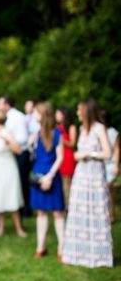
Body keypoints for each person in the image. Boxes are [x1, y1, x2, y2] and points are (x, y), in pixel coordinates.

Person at [62, 99, 113, 268]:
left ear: (86, 111)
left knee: (96, 211)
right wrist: (79, 155)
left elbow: (107, 153)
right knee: (78, 210)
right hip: (81, 175)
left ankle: (98, 255)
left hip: (95, 175)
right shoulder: (82, 129)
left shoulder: (99, 128)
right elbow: (77, 153)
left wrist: (89, 153)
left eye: (79, 110)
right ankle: (77, 253)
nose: (77, 113)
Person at [29, 103, 65, 260]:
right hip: (38, 175)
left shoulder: (57, 134)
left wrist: (50, 176)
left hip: (52, 175)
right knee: (41, 212)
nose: (33, 115)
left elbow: (60, 157)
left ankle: (62, 249)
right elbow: (34, 155)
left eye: (36, 112)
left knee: (58, 213)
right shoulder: (36, 134)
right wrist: (31, 144)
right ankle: (40, 247)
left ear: (43, 115)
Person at [0, 96, 31, 217]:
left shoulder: (17, 116)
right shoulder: (9, 117)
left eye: (0, 104)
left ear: (6, 105)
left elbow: (23, 137)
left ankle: (26, 210)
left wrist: (9, 141)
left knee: (22, 182)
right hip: (14, 152)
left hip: (21, 152)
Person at [55, 107, 77, 209]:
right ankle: (63, 204)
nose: (56, 116)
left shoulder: (71, 127)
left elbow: (72, 144)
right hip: (59, 155)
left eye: (58, 114)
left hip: (68, 156)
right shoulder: (56, 127)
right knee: (60, 182)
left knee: (68, 182)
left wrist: (62, 140)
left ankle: (70, 205)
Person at [100, 110, 119, 222]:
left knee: (108, 189)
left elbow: (117, 150)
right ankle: (104, 213)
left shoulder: (113, 132)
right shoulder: (98, 132)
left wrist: (116, 165)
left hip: (111, 165)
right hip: (101, 165)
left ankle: (111, 215)